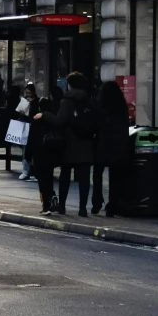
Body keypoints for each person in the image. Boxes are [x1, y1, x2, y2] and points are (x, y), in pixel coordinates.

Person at [56, 71, 98, 215]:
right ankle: (82, 209)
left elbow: (60, 121)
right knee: (84, 178)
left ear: (70, 85)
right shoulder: (89, 101)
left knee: (65, 175)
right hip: (86, 143)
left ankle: (62, 206)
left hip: (69, 142)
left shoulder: (66, 101)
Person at [94, 78, 132, 216]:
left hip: (103, 143)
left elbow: (97, 125)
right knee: (115, 178)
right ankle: (113, 205)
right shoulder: (122, 107)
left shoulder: (101, 106)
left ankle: (96, 202)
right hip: (119, 145)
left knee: (97, 174)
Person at [28, 92, 63, 213]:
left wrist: (28, 155)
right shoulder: (54, 120)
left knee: (41, 180)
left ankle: (46, 204)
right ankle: (52, 196)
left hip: (39, 154)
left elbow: (31, 140)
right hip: (52, 154)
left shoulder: (37, 120)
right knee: (48, 177)